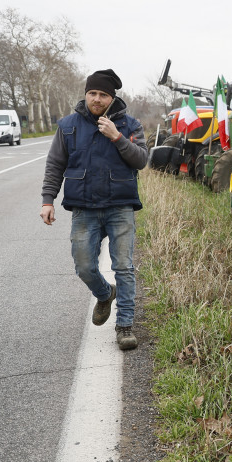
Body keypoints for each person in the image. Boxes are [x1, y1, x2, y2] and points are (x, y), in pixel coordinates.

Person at [40, 69, 148, 350]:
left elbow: (141, 160)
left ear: (112, 98)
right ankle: (104, 293)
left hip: (120, 207)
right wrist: (47, 200)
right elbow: (55, 165)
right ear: (86, 94)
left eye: (102, 94)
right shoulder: (67, 126)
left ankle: (125, 326)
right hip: (84, 208)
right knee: (84, 266)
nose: (96, 99)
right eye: (92, 93)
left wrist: (117, 137)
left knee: (123, 267)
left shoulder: (131, 125)